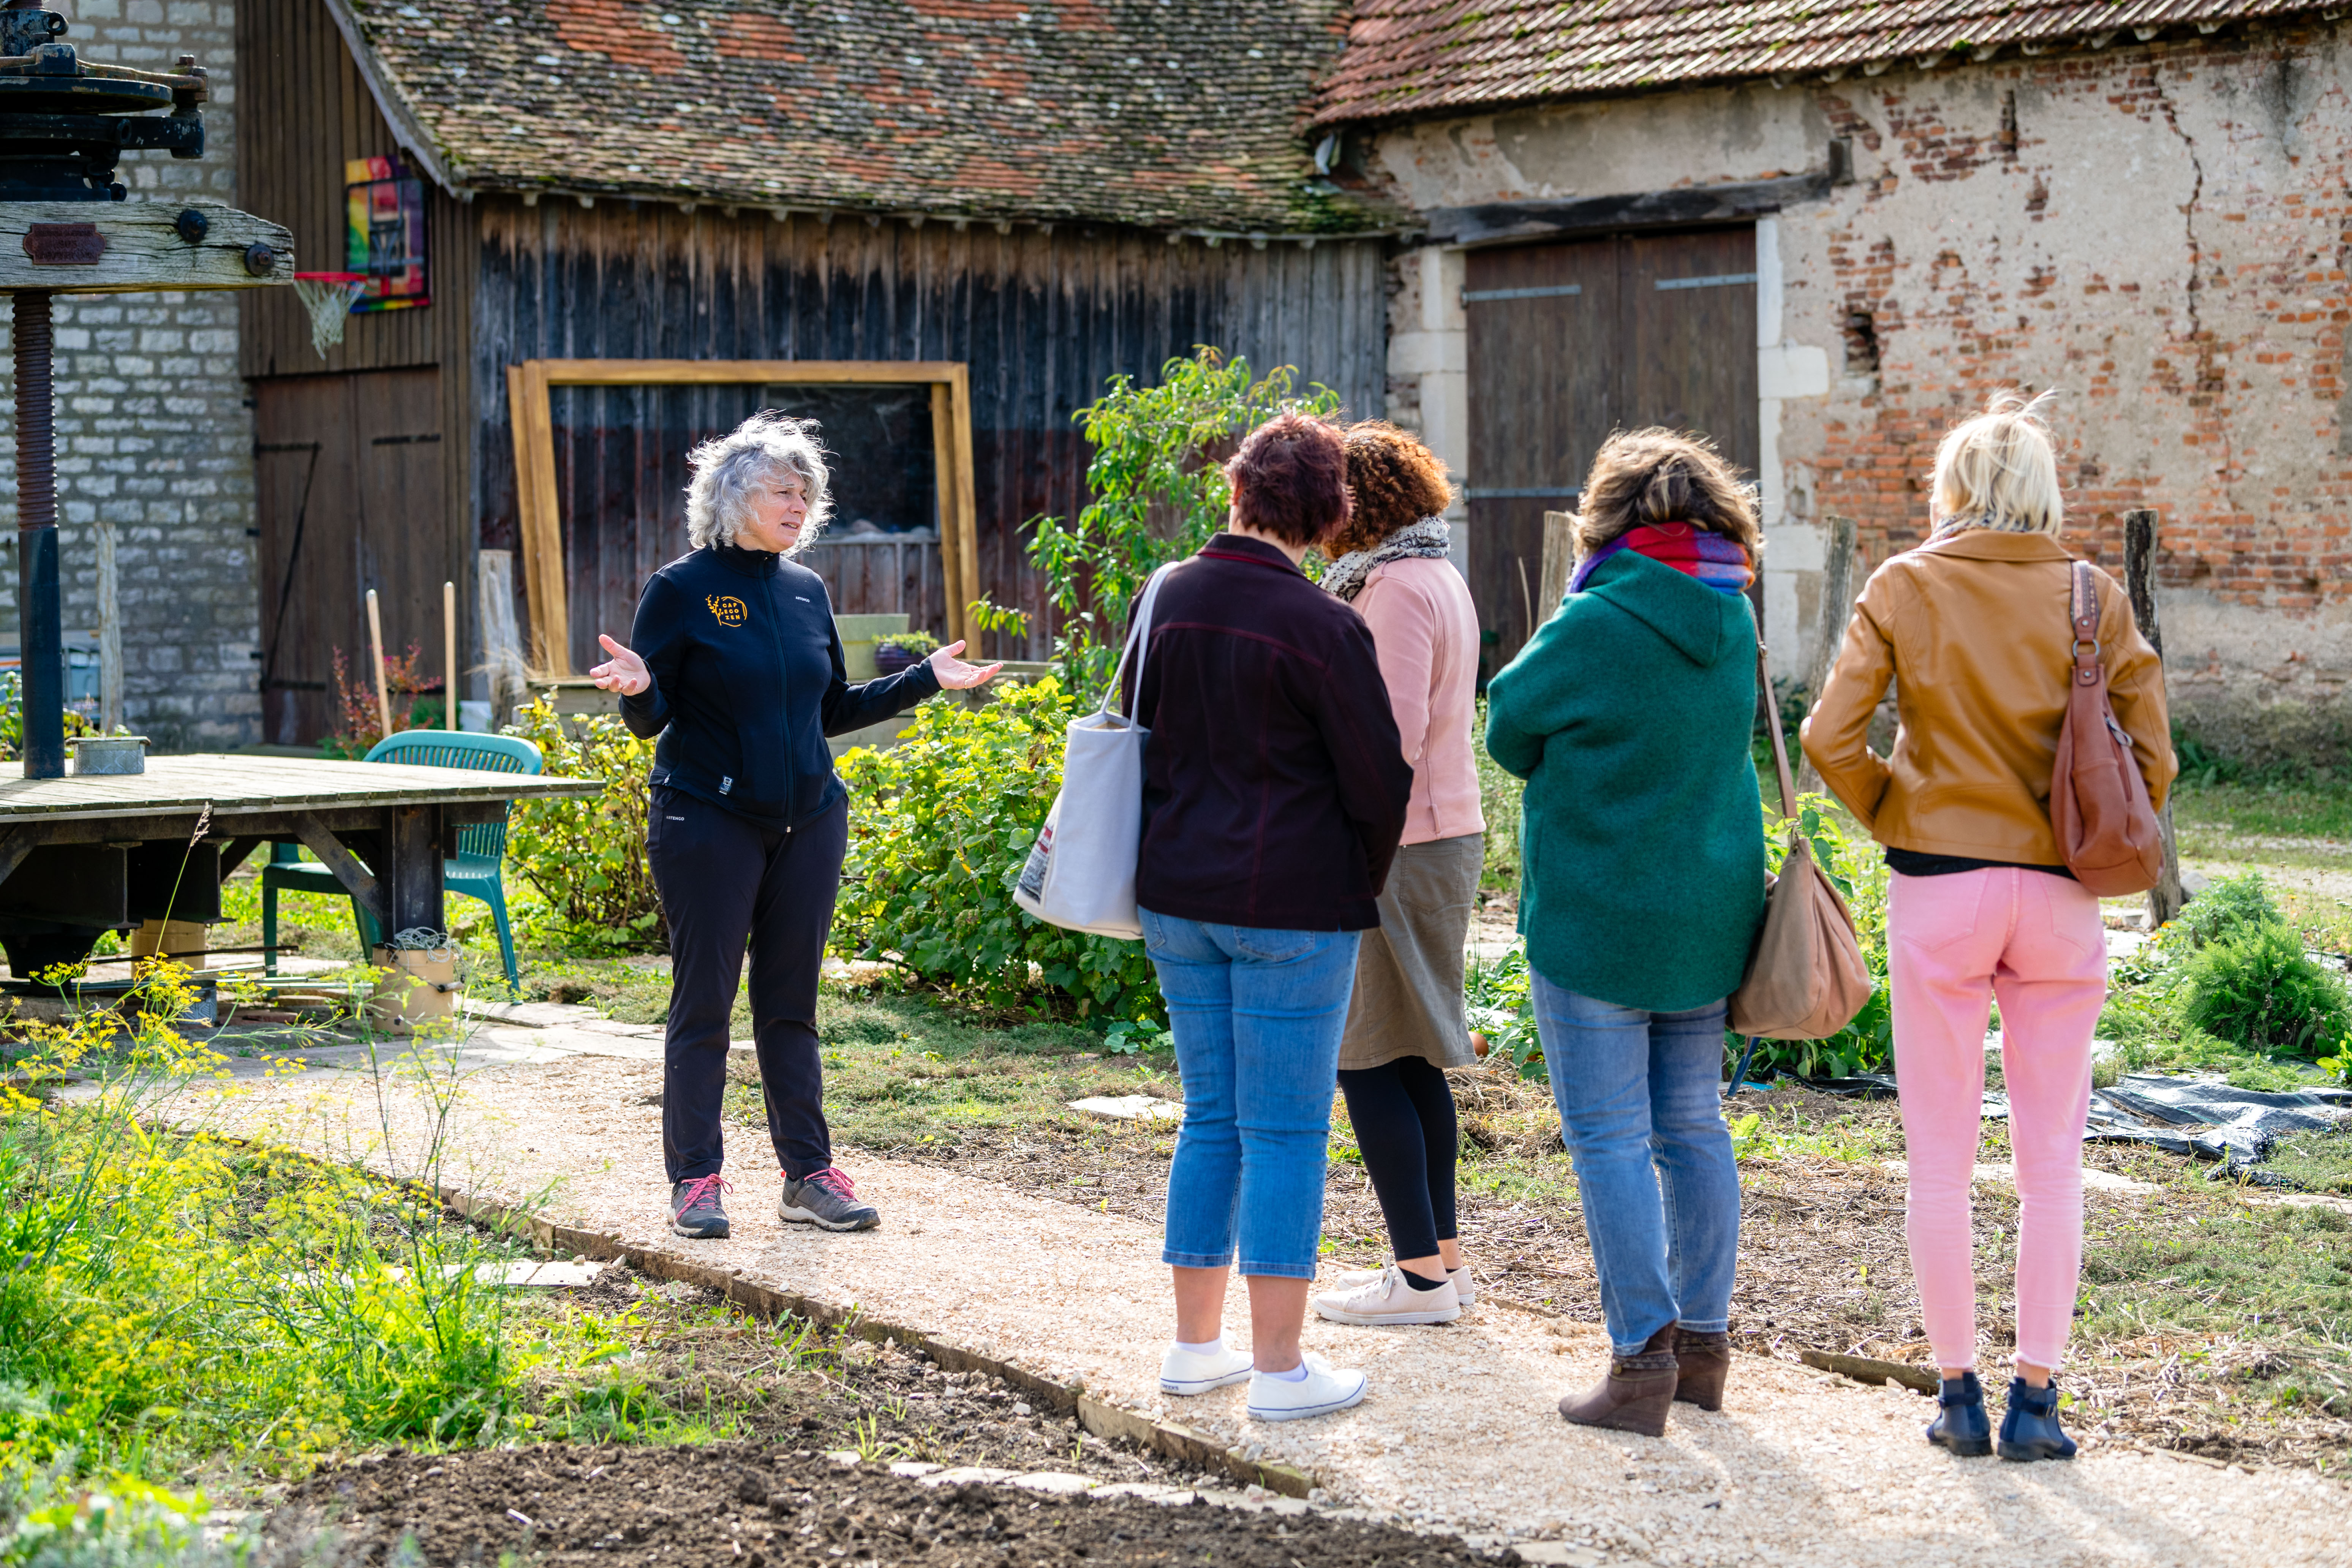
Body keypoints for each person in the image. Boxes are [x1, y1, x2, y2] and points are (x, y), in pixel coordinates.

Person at [1802, 391, 2174, 1463]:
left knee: (1940, 1161)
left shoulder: (1905, 584)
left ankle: (1958, 1397)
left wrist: (1896, 810)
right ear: (2045, 493)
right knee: (2053, 1161)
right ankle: (2040, 1404)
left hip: (1939, 889)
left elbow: (1832, 738)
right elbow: (2154, 764)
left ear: (1953, 491)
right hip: (2061, 895)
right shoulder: (2091, 594)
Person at [588, 412, 1001, 1241]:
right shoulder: (680, 588)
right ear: (733, 495)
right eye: (782, 487)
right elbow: (654, 719)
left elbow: (833, 709)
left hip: (809, 820)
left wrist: (924, 680)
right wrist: (639, 690)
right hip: (706, 817)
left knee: (791, 1005)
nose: (798, 500)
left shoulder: (805, 590)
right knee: (704, 1003)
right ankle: (696, 1181)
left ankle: (808, 1174)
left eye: (805, 490)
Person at [1129, 412, 1414, 1423]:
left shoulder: (1164, 598)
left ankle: (1195, 1349)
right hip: (1295, 905)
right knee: (1287, 1132)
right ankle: (1284, 1370)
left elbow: (1133, 729)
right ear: (1331, 514)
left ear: (1236, 492)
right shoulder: (1327, 626)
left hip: (1176, 896)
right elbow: (1381, 784)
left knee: (1212, 1119)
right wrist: (1356, 881)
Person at [1484, 429, 1766, 1438]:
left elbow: (1507, 725)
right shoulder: (1732, 616)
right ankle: (1701, 1351)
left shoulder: (1595, 619)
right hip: (1707, 915)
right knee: (1693, 1127)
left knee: (1609, 1135)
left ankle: (1638, 1360)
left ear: (1604, 516)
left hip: (1597, 917)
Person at [1308, 421, 1485, 1330]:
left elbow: (1390, 740)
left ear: (1356, 504)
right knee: (1411, 1057)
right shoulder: (1434, 573)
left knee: (1366, 1054)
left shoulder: (1396, 589)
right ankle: (1440, 1268)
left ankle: (1418, 1279)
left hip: (1398, 844)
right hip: (1436, 837)